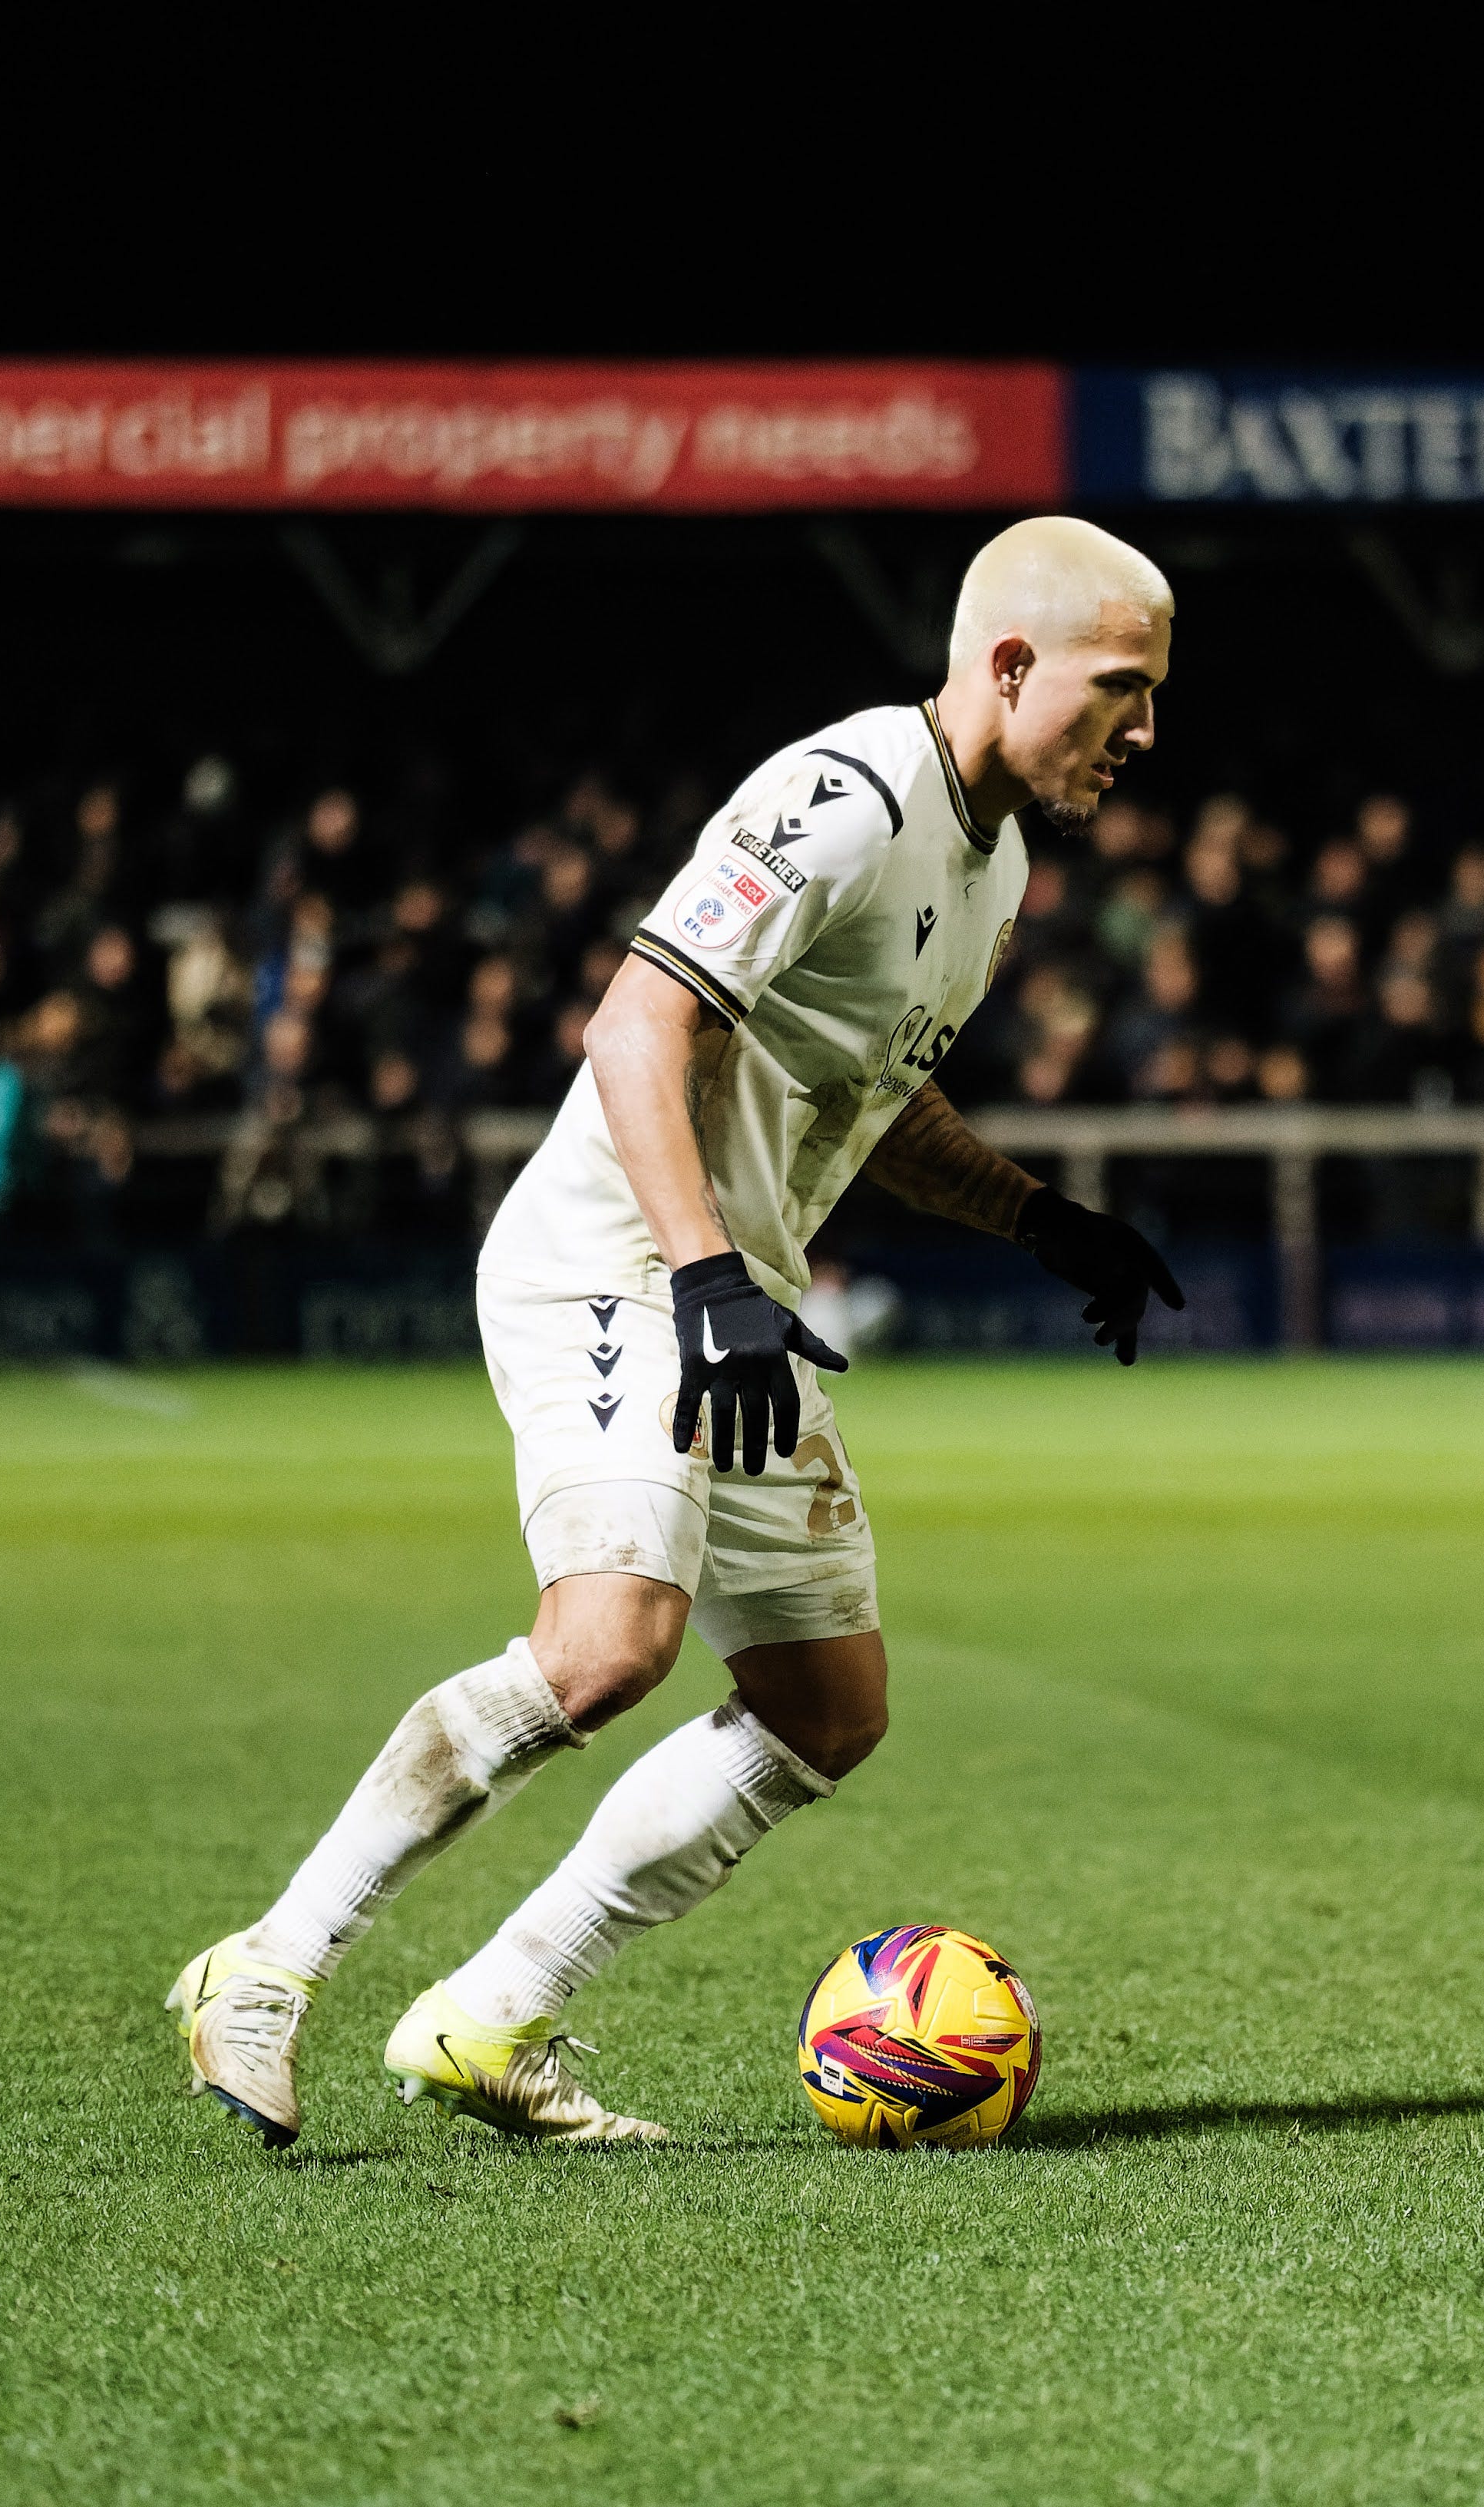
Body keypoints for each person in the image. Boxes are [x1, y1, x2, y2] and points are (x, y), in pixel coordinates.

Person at [166, 517, 1189, 2149]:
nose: (1144, 731)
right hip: (617, 1261)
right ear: (1008, 665)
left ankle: (490, 2011)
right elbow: (640, 1019)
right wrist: (708, 1272)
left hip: (731, 1295)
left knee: (825, 1706)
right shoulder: (843, 795)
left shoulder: (992, 868)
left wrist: (1042, 1220)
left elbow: (871, 1095)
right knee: (608, 1645)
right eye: (1121, 687)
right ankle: (267, 1966)